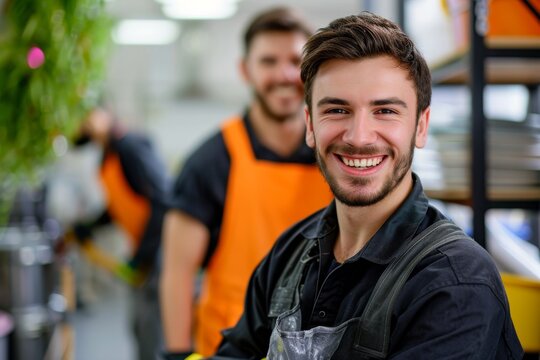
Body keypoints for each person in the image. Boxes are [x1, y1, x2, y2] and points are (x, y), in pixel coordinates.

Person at [212, 12, 524, 359]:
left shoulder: (454, 282)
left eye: (385, 111)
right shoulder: (289, 255)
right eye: (337, 110)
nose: (359, 138)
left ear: (421, 127)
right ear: (310, 126)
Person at [160, 6, 333, 359]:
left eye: (294, 61)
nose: (284, 74)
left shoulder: (335, 156)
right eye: (268, 61)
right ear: (245, 70)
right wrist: (179, 354)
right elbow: (178, 273)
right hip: (227, 347)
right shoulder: (211, 162)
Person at [73, 107, 170, 360]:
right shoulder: (108, 158)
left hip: (161, 249)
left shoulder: (130, 148)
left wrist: (144, 255)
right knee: (139, 326)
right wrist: (90, 226)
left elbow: (162, 199)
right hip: (143, 248)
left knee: (152, 330)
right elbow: (121, 205)